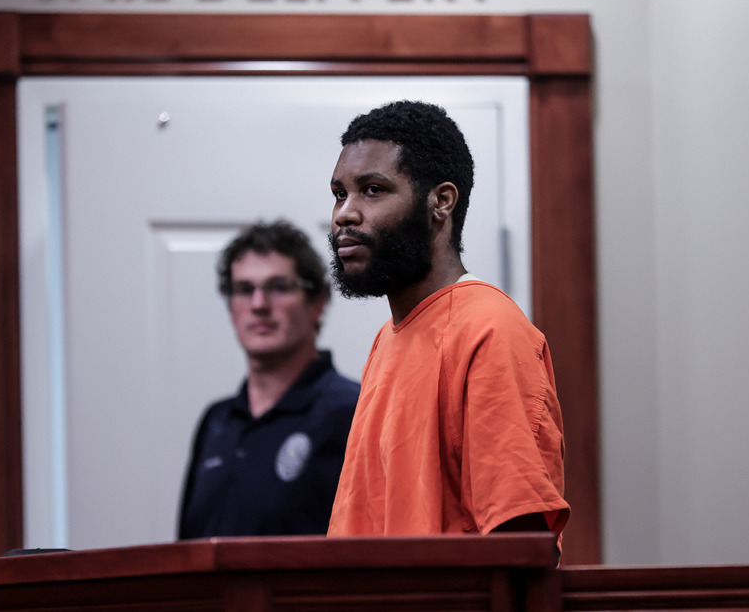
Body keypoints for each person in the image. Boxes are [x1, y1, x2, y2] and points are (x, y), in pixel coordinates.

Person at [326, 100, 570, 544]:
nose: (344, 213)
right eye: (340, 193)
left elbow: (517, 546)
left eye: (373, 190)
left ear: (440, 202)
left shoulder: (489, 330)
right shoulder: (388, 338)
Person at [178, 220, 360, 539]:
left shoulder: (351, 412)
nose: (259, 305)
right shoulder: (216, 421)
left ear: (317, 303)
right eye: (244, 290)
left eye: (278, 287)